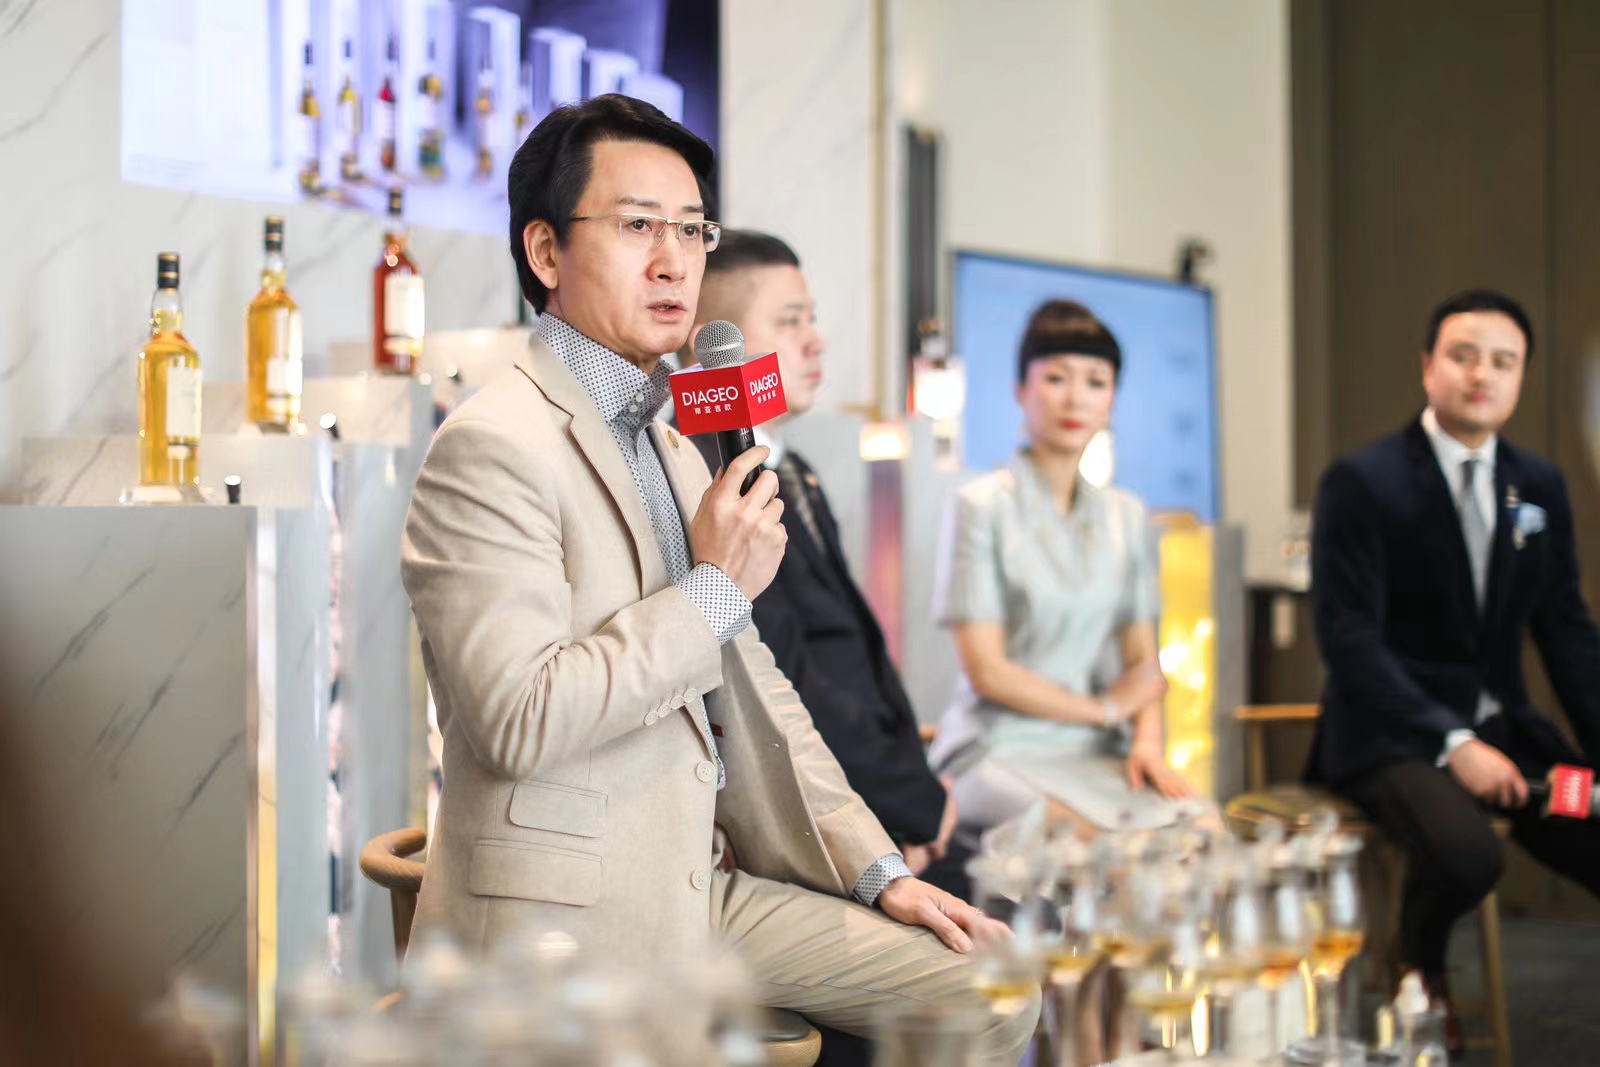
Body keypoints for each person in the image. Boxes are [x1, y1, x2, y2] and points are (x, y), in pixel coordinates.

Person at [399, 95, 1036, 1056]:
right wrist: (712, 590)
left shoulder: (671, 444)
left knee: (991, 987)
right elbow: (519, 717)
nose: (675, 261)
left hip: (699, 891)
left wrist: (878, 872)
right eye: (637, 226)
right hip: (563, 919)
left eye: (692, 229)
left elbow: (759, 692)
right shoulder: (492, 444)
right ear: (545, 251)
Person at [1309, 288, 1600, 1042]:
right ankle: (1420, 959)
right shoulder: (1363, 481)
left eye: (1504, 361)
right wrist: (1452, 741)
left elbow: (1567, 631)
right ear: (1427, 366)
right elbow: (1348, 639)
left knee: (1595, 824)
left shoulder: (1537, 485)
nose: (1482, 374)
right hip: (1391, 735)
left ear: (1521, 376)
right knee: (1468, 854)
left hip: (1504, 730)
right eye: (1463, 356)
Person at [682, 231, 968, 902]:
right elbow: (787, 677)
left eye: (811, 318)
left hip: (882, 800)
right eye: (790, 321)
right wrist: (913, 807)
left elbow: (856, 656)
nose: (816, 341)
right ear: (715, 343)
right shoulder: (708, 478)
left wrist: (919, 790)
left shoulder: (796, 469)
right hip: (812, 817)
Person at [928, 300, 1194, 838]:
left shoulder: (1127, 515)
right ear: (1020, 390)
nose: (1076, 398)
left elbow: (1143, 664)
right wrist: (1103, 709)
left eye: (1096, 381)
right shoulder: (980, 506)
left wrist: (1147, 742)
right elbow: (987, 673)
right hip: (996, 745)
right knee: (1107, 849)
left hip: (1098, 748)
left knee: (1203, 830)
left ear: (1112, 399)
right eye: (1056, 378)